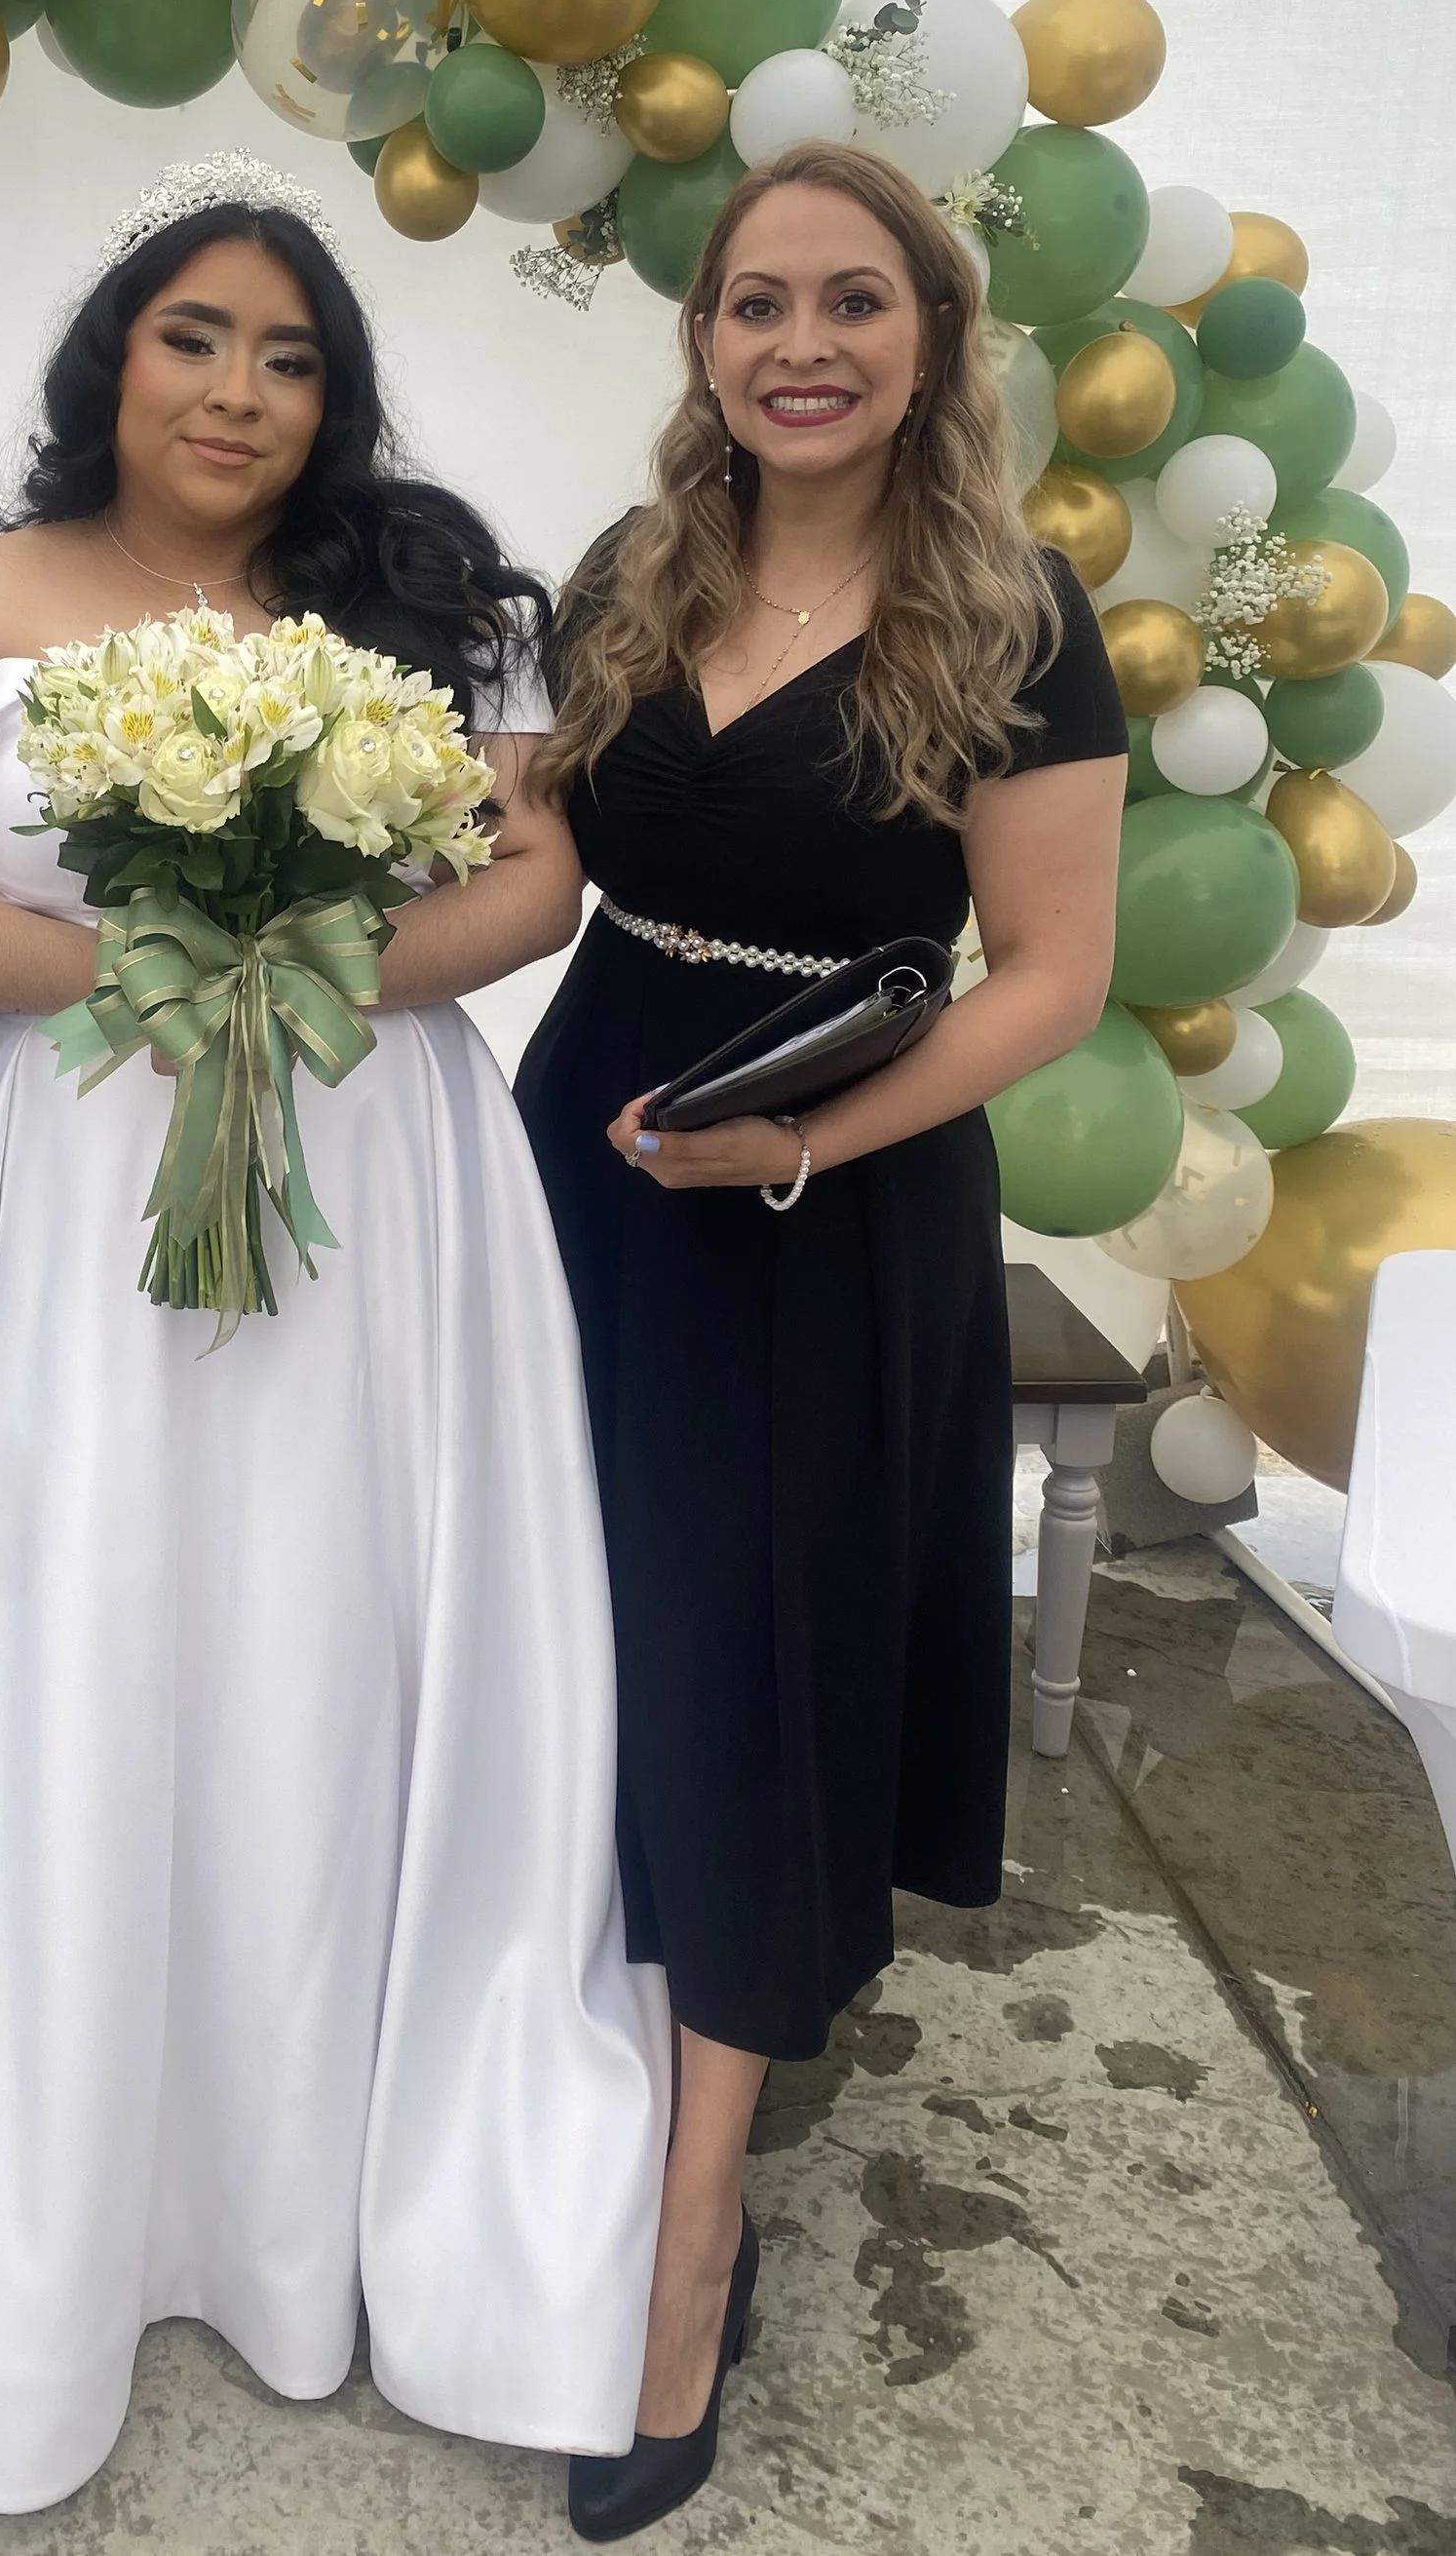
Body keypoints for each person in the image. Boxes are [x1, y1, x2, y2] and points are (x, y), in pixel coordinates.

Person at [0, 159, 670, 2509]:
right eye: (197, 338)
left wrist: (317, 979)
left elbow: (531, 867)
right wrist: (155, 978)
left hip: (381, 1170)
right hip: (69, 1176)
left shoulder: (430, 586)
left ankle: (341, 2141)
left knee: (338, 1625)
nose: (242, 391)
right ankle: (61, 2142)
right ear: (117, 354)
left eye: (291, 357)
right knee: (81, 1622)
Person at [515, 142, 1127, 2537]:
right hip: (588, 1155)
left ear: (928, 336)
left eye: (849, 300)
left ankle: (689, 2246)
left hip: (822, 1191)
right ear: (697, 340)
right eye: (752, 299)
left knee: (742, 1672)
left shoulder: (1013, 609)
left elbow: (1051, 979)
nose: (798, 341)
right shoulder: (628, 573)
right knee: (581, 1641)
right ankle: (573, 2083)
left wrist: (808, 1143)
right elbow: (547, 868)